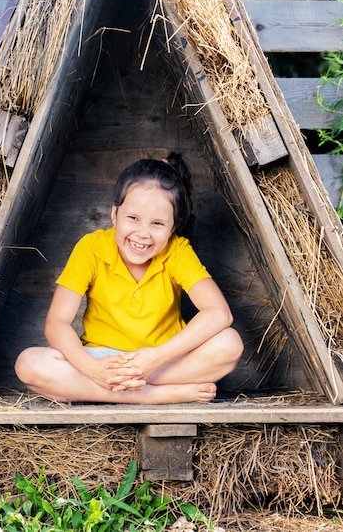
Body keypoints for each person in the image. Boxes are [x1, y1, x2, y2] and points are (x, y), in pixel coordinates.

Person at [15, 152, 243, 404]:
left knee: (230, 343)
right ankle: (156, 396)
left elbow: (219, 313)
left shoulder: (177, 250)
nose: (142, 234)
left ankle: (117, 391)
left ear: (172, 227)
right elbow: (56, 323)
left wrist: (155, 358)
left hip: (161, 362)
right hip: (102, 360)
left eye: (157, 224)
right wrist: (93, 370)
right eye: (133, 218)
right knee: (29, 363)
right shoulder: (91, 247)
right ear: (114, 214)